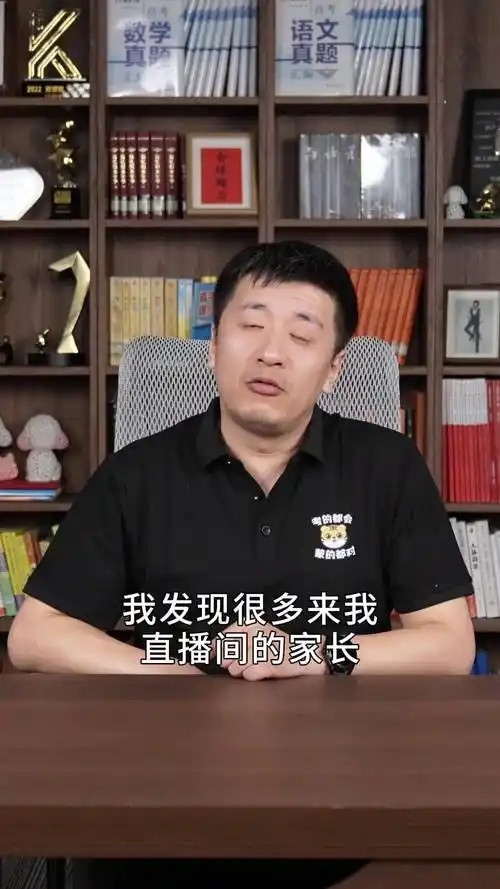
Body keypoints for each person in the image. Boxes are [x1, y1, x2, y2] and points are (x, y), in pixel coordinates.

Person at [7, 240, 475, 888]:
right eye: (251, 325)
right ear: (213, 346)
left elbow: (449, 644)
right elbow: (35, 635)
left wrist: (312, 653)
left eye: (301, 335)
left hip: (343, 796)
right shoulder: (137, 474)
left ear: (334, 368)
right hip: (157, 797)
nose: (271, 352)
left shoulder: (387, 466)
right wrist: (178, 668)